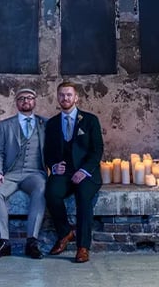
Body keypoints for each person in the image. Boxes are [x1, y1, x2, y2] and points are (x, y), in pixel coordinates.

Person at [44, 80, 103, 263]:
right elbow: (48, 151)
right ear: (58, 98)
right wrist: (53, 166)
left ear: (76, 97)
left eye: (69, 94)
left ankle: (83, 247)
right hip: (64, 172)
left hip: (87, 172)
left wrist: (84, 170)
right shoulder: (52, 123)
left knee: (83, 198)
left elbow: (97, 149)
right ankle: (65, 233)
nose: (65, 98)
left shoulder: (90, 120)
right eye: (62, 95)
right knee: (51, 193)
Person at [0, 87, 47, 259]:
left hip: (34, 172)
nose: (25, 101)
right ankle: (3, 241)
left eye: (29, 98)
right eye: (21, 98)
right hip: (10, 174)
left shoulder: (45, 123)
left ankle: (32, 241)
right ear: (16, 103)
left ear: (34, 101)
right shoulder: (5, 125)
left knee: (41, 189)